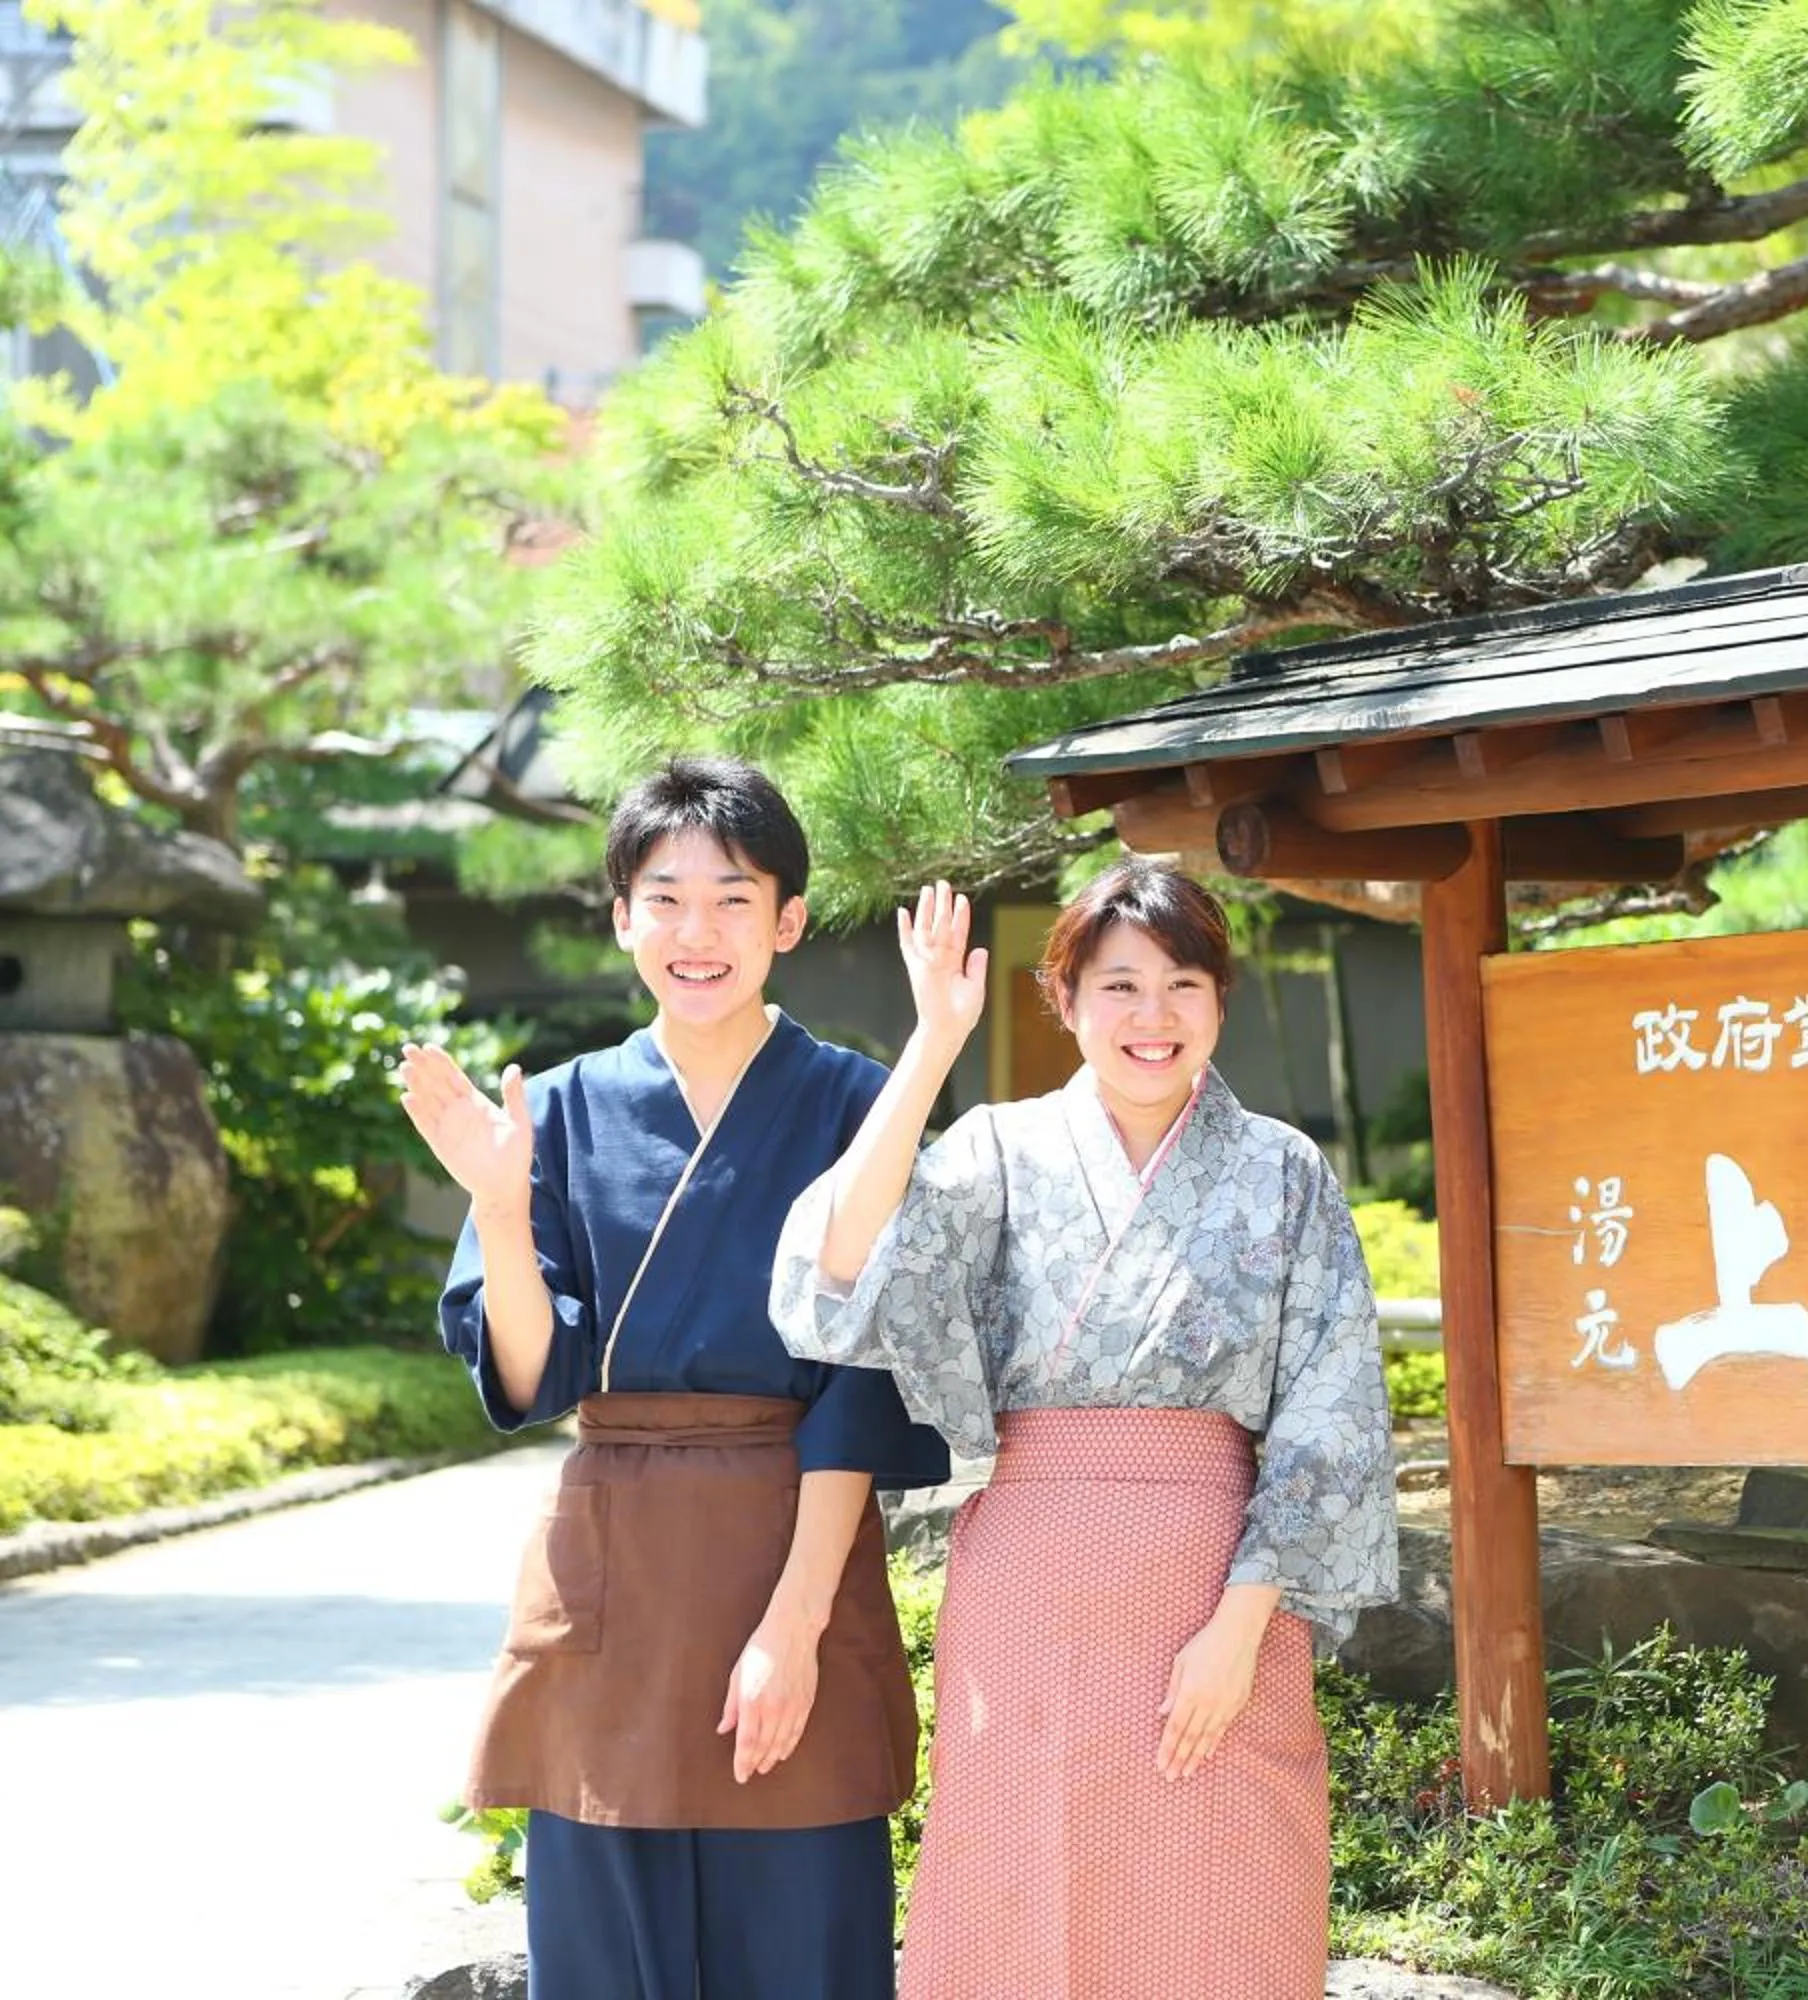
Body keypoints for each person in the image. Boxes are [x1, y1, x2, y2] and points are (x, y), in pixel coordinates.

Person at [771, 857, 1398, 2000]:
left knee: (1230, 1900)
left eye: (1183, 983)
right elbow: (837, 1268)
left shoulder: (1281, 1172)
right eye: (1119, 985)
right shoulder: (997, 1153)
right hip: (1029, 1587)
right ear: (1062, 999)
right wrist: (932, 1046)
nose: (1152, 1016)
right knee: (1019, 1886)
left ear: (1220, 997)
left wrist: (1241, 1626)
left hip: (1220, 1594)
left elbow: (1330, 1410)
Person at [396, 757, 948, 2000]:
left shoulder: (862, 1101)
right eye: (665, 897)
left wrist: (794, 1629)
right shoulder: (563, 1111)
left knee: (805, 1942)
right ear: (620, 916)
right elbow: (532, 1373)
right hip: (615, 1574)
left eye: (734, 898)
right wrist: (496, 1202)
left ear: (789, 920)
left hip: (793, 1548)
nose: (697, 932)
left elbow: (863, 1379)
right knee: (605, 1953)